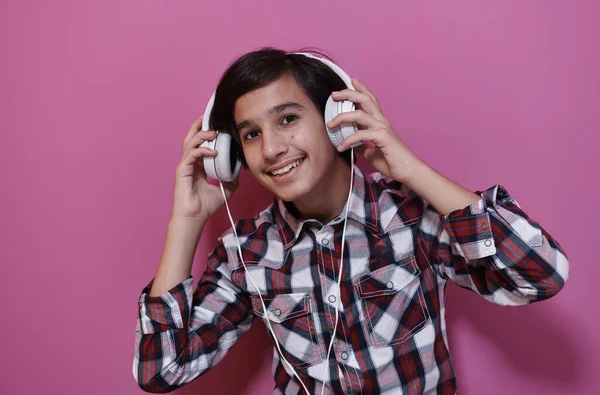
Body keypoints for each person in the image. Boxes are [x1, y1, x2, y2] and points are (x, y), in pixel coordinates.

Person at [132, 47, 569, 394]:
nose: (271, 150)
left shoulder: (411, 215)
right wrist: (187, 219)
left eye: (288, 119)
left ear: (336, 121)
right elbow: (161, 369)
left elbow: (539, 275)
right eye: (251, 135)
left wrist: (409, 169)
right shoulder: (246, 254)